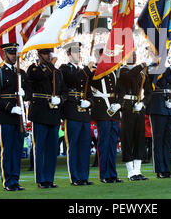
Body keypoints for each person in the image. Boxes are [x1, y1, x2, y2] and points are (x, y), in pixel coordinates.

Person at [0, 42, 29, 191]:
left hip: (19, 118)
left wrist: (24, 94)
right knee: (7, 150)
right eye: (11, 53)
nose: (14, 56)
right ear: (5, 55)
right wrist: (10, 108)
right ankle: (8, 181)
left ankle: (15, 180)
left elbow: (29, 92)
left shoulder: (21, 73)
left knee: (17, 150)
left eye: (15, 53)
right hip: (6, 116)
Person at [27, 47, 67, 189]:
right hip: (40, 112)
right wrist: (51, 64)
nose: (48, 55)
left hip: (53, 113)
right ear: (38, 54)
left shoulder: (58, 73)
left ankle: (49, 178)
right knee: (40, 147)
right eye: (45, 53)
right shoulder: (33, 69)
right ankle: (41, 179)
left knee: (52, 148)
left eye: (49, 53)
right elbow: (40, 76)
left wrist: (60, 100)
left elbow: (64, 92)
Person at [59, 41, 95, 186]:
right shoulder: (63, 69)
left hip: (84, 113)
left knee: (85, 146)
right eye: (75, 52)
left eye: (79, 52)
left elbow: (89, 91)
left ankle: (84, 176)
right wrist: (87, 70)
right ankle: (75, 177)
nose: (78, 55)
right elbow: (73, 79)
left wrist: (90, 102)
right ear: (68, 54)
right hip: (72, 111)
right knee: (73, 146)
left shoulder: (82, 71)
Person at [145, 52, 171, 179]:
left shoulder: (169, 70)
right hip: (157, 107)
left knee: (168, 141)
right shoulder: (151, 68)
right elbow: (156, 76)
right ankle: (159, 169)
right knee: (158, 141)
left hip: (170, 109)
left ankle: (167, 169)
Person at [89, 45, 122, 183]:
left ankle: (112, 174)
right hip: (102, 110)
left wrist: (119, 103)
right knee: (103, 144)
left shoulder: (113, 71)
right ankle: (104, 174)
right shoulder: (95, 71)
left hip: (113, 111)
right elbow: (89, 83)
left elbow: (119, 90)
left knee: (113, 144)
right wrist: (90, 68)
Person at [117, 51, 151, 181]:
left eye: (136, 54)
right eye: (132, 55)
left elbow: (148, 92)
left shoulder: (142, 73)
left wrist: (143, 103)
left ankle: (137, 170)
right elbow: (130, 76)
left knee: (139, 139)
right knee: (127, 139)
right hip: (127, 107)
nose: (135, 57)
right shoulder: (122, 70)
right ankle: (130, 172)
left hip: (139, 107)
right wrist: (142, 65)